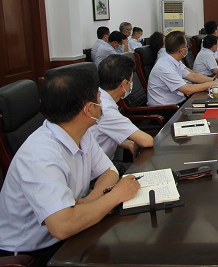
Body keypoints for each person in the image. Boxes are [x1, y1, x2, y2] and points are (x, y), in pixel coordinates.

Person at [0, 68, 140, 265]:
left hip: (71, 228)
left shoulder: (81, 131)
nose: (102, 102)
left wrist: (90, 200)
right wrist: (116, 195)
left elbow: (109, 172)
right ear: (89, 109)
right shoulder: (40, 155)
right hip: (34, 251)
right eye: (98, 98)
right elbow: (62, 226)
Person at [90, 54, 154, 174]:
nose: (131, 84)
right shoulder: (105, 109)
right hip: (99, 172)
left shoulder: (98, 97)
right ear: (124, 84)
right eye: (131, 80)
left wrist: (127, 143)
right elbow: (147, 141)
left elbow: (101, 136)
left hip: (101, 162)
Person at [147, 31, 218, 106]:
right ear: (181, 51)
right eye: (186, 47)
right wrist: (214, 83)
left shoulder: (173, 60)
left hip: (178, 102)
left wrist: (214, 80)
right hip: (166, 109)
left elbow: (193, 76)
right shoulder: (164, 66)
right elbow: (187, 90)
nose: (188, 49)